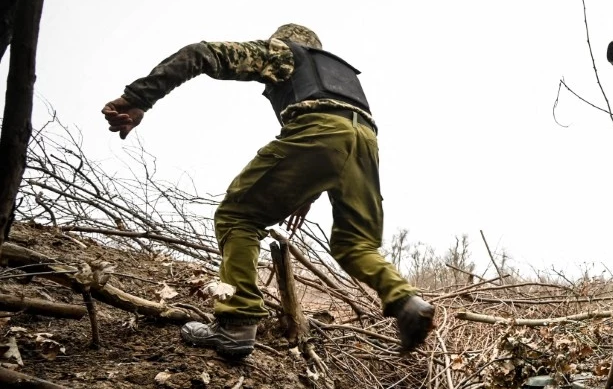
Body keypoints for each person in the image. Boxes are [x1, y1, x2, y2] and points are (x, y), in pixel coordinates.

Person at [101, 23, 434, 358]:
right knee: (356, 245)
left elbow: (200, 54)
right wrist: (308, 189)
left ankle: (236, 323)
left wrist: (138, 97)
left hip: (320, 132)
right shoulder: (341, 77)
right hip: (365, 142)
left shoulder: (285, 53)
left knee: (237, 217)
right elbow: (341, 132)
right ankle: (405, 301)